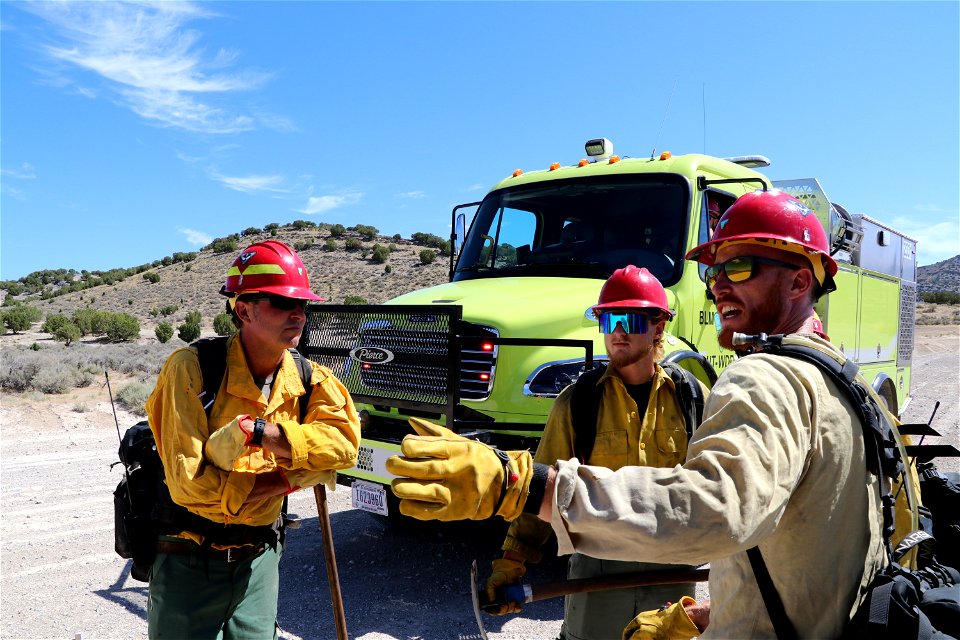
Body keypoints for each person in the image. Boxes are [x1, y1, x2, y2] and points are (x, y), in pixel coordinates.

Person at [387, 189, 893, 638]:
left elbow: (717, 511)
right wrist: (514, 560)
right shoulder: (846, 382)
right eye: (712, 271)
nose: (718, 285)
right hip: (597, 564)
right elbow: (792, 556)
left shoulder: (720, 389)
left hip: (674, 564)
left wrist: (519, 485)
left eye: (736, 268)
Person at [145, 240, 360, 639]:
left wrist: (265, 433)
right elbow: (192, 486)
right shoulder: (191, 370)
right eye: (281, 302)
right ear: (243, 310)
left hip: (259, 560)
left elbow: (345, 447)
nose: (297, 313)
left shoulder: (311, 380)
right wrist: (292, 477)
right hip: (187, 561)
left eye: (302, 304)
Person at [484, 265, 703, 640]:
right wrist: (512, 560)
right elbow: (542, 484)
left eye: (630, 319)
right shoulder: (577, 403)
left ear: (658, 327)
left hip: (672, 571)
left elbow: (723, 484)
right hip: (598, 572)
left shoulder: (692, 397)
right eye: (608, 319)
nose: (617, 331)